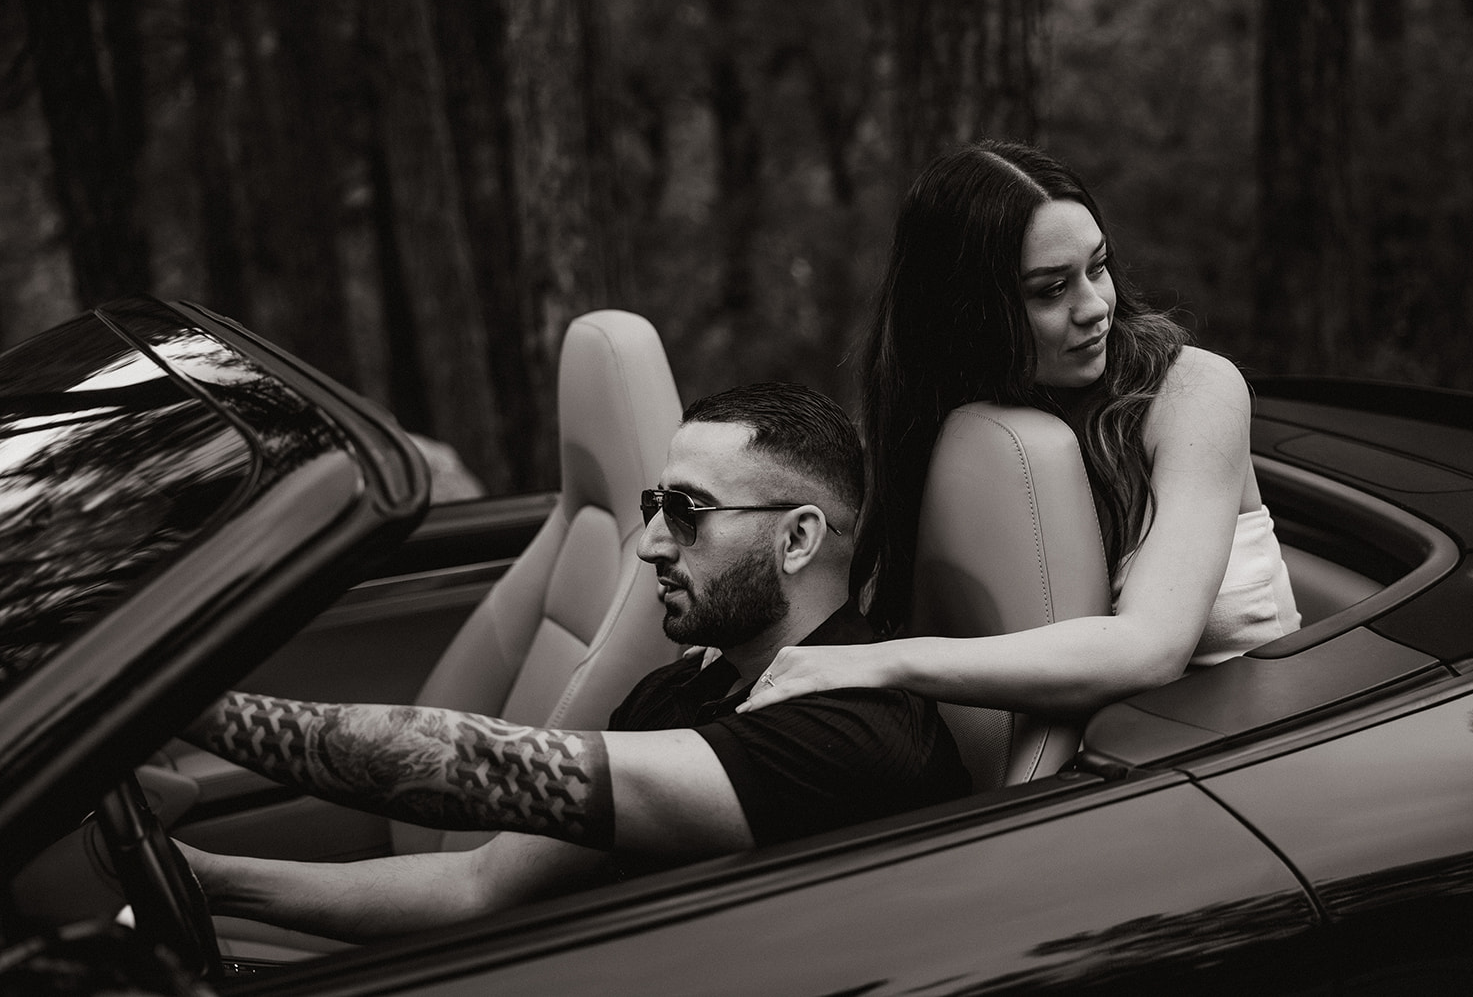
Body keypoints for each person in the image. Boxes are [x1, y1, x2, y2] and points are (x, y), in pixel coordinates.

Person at [179, 383, 969, 943]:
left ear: (796, 539)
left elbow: (479, 766)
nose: (654, 542)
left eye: (687, 513)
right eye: (652, 508)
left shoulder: (851, 734)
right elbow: (478, 886)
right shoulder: (685, 684)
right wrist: (208, 879)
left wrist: (183, 707)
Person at [742, 140, 1299, 721]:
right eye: (1051, 290)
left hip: (1262, 750)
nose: (1095, 307)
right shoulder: (954, 432)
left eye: (1098, 267)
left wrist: (882, 662)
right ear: (967, 311)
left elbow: (1152, 648)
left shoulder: (1193, 392)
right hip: (1111, 768)